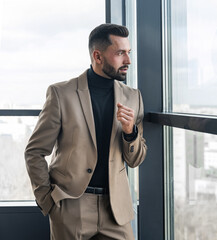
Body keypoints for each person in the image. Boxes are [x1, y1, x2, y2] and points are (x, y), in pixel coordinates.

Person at [24, 23, 147, 240]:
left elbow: (136, 159)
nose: (127, 60)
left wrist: (130, 133)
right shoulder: (62, 94)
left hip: (116, 209)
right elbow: (35, 152)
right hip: (71, 206)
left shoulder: (133, 97)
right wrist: (48, 200)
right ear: (97, 56)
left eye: (128, 53)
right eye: (120, 53)